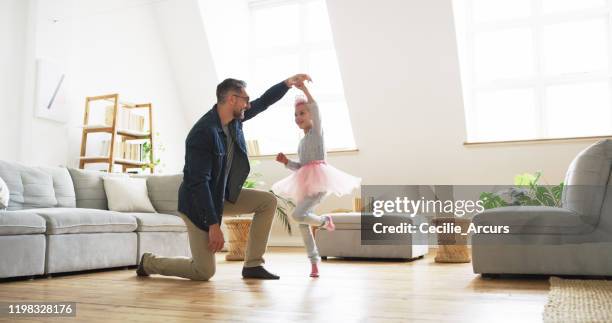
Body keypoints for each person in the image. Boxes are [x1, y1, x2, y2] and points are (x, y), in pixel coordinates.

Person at [136, 74, 312, 281]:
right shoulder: (203, 133)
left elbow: (263, 102)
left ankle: (253, 265)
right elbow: (199, 184)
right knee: (204, 271)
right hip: (198, 205)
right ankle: (149, 262)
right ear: (232, 99)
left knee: (267, 202)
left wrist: (287, 84)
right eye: (245, 100)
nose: (248, 105)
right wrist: (213, 225)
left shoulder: (235, 120)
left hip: (221, 196)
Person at [272, 82, 361, 277]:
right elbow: (301, 167)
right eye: (295, 115)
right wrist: (286, 162)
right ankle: (314, 263)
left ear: (311, 115)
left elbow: (316, 107)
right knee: (303, 223)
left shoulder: (317, 133)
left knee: (297, 215)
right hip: (304, 183)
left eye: (302, 113)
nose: (298, 118)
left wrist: (304, 89)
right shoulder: (302, 142)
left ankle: (323, 221)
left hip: (320, 182)